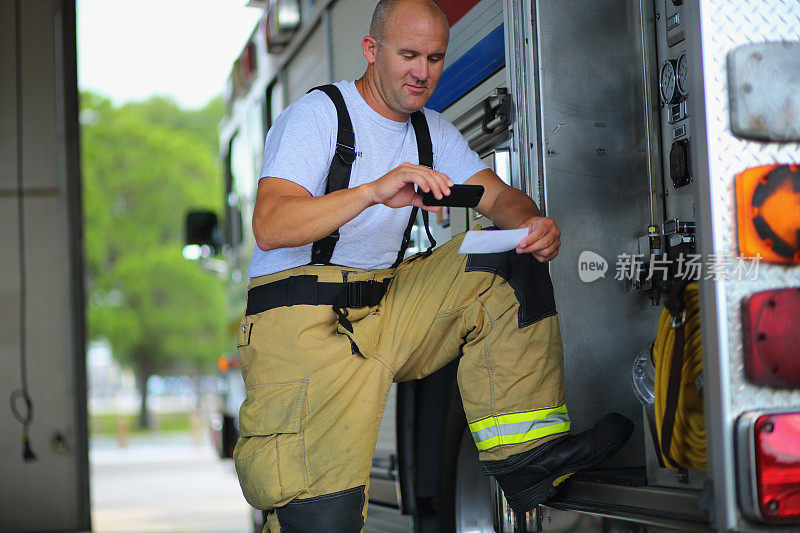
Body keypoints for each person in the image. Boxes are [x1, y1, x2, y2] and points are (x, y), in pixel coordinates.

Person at [234, 0, 633, 531]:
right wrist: (372, 192)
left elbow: (501, 200)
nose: (423, 72)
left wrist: (534, 224)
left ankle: (530, 461)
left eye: (435, 58)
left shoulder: (433, 132)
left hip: (385, 306)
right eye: (408, 55)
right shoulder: (318, 115)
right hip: (302, 322)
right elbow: (272, 224)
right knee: (320, 522)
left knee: (504, 258)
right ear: (371, 51)